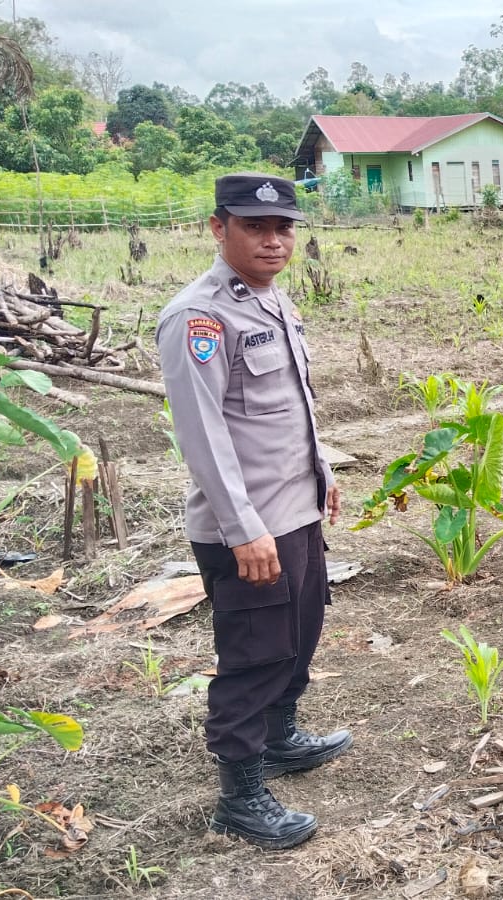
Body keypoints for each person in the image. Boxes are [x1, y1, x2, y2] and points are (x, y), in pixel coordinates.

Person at [157, 173, 350, 850]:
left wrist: (320, 475)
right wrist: (245, 531)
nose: (273, 241)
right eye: (254, 227)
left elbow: (288, 407)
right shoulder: (199, 317)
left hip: (294, 511)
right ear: (219, 229)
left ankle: (282, 737)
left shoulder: (272, 303)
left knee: (300, 634)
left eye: (283, 228)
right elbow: (205, 438)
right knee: (255, 654)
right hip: (249, 528)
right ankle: (241, 797)